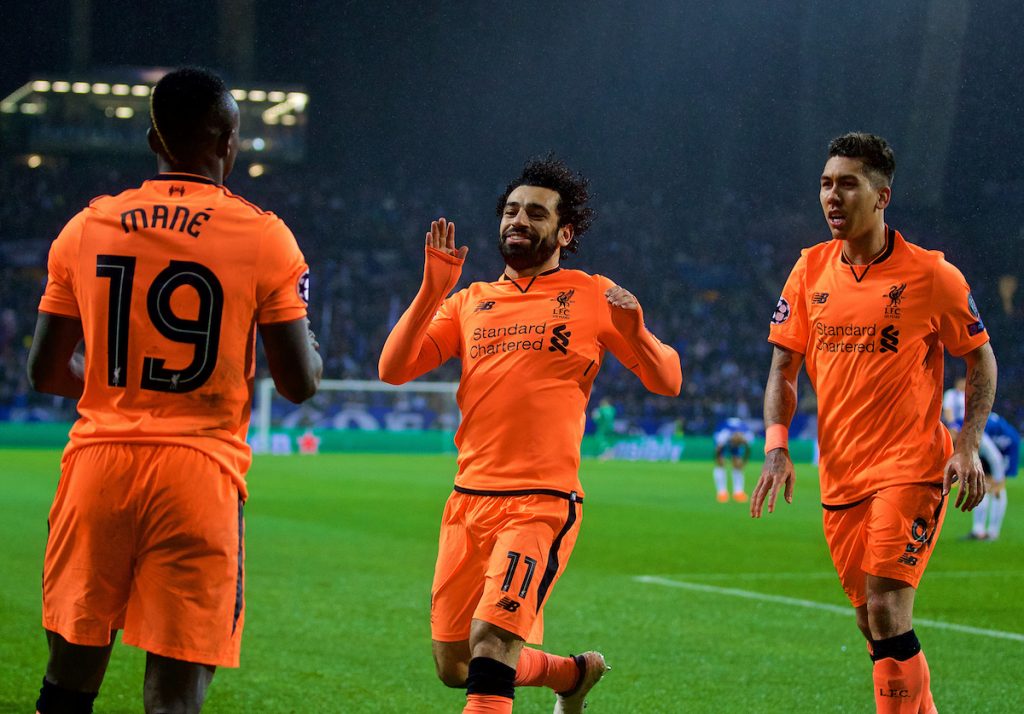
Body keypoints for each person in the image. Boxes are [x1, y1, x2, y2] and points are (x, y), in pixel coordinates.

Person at [26, 67, 322, 714]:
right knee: (173, 697)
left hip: (97, 471)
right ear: (228, 141)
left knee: (67, 683)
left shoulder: (86, 227)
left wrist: (111, 393)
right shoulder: (264, 235)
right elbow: (299, 383)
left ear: (153, 138)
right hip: (198, 474)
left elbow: (44, 372)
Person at [379, 156, 681, 714]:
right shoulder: (470, 301)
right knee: (455, 665)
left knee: (493, 647)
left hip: (540, 503)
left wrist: (635, 329)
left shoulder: (591, 294)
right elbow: (393, 370)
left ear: (564, 232)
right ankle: (569, 675)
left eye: (535, 213)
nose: (518, 220)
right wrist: (430, 290)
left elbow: (667, 379)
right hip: (467, 502)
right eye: (511, 211)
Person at [750, 133, 997, 713]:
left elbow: (979, 357)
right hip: (841, 477)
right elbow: (783, 367)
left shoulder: (932, 276)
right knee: (870, 622)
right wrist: (777, 446)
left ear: (883, 195)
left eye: (847, 184)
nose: (831, 196)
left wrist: (965, 446)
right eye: (825, 184)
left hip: (911, 467)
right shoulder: (809, 270)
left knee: (887, 609)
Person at [955, 413, 1020, 541]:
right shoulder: (967, 427)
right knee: (981, 485)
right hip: (991, 447)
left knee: (997, 489)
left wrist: (999, 480)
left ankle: (992, 533)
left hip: (1007, 448)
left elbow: (995, 459)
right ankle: (978, 530)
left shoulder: (979, 436)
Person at [712, 416, 753, 502]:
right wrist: (718, 460)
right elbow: (717, 451)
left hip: (732, 438)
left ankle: (738, 492)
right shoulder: (723, 435)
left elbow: (748, 450)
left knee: (738, 464)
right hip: (723, 441)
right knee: (720, 463)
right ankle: (722, 493)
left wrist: (744, 463)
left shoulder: (748, 436)